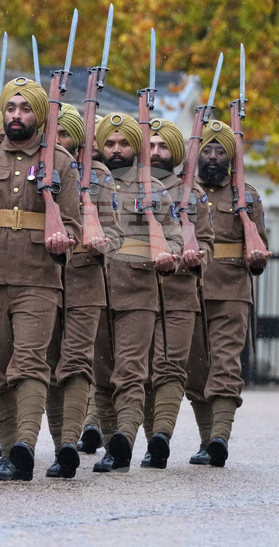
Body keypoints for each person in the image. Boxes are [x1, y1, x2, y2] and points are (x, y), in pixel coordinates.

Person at [0, 78, 81, 482]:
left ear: (40, 115)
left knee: (30, 362)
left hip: (39, 274)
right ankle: (10, 447)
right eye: (10, 108)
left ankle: (25, 447)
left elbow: (73, 224)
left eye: (25, 108)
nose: (16, 115)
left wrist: (63, 240)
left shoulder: (60, 162)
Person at [91, 112, 181, 473]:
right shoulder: (86, 185)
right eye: (110, 143)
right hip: (94, 289)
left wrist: (169, 255)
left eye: (124, 143)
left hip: (138, 290)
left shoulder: (153, 189)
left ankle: (124, 439)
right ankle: (111, 440)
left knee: (130, 371)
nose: (116, 149)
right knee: (101, 374)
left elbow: (175, 236)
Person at [43, 103, 122, 478]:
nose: (58, 140)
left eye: (65, 134)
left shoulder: (101, 178)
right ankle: (59, 440)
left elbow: (116, 233)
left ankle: (68, 444)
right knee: (47, 365)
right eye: (53, 133)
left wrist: (101, 244)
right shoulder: (40, 169)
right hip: (44, 278)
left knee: (75, 363)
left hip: (85, 280)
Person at [185, 121, 268, 467]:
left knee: (225, 365)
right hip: (191, 291)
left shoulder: (246, 196)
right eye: (207, 150)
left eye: (221, 151)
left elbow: (260, 250)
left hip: (232, 291)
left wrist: (256, 258)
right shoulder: (183, 192)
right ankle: (207, 439)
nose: (213, 157)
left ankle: (220, 437)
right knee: (195, 369)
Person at [138, 118, 212, 468]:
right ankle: (149, 436)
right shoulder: (131, 190)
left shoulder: (194, 195)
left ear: (177, 152)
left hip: (180, 292)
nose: (156, 152)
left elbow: (207, 242)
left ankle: (161, 436)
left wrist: (197, 257)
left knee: (170, 368)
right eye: (151, 145)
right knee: (140, 371)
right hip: (138, 290)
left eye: (163, 146)